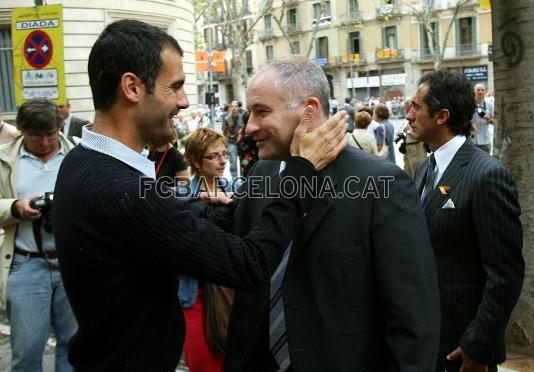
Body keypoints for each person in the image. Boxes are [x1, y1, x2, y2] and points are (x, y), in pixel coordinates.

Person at [51, 20, 348, 372]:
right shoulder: (122, 191)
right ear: (131, 87)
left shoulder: (81, 162)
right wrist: (301, 169)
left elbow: (163, 232)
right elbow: (249, 265)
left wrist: (226, 208)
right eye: (174, 87)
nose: (184, 101)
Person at [224, 56, 441, 372]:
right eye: (249, 113)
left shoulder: (381, 185)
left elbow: (414, 319)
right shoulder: (260, 174)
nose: (249, 127)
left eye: (261, 111)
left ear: (309, 110)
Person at [409, 70, 524, 372]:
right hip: (427, 341)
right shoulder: (424, 169)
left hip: (463, 351)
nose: (408, 115)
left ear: (441, 116)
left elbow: (505, 275)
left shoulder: (487, 175)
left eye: (416, 107)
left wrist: (479, 345)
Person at [0, 99, 77, 371]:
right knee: (27, 351)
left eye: (50, 134)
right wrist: (15, 208)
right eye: (36, 135)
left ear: (59, 127)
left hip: (73, 263)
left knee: (74, 348)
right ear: (20, 130)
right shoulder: (4, 159)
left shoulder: (77, 154)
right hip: (26, 264)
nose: (45, 142)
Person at [179, 128, 233, 372]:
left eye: (225, 154)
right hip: (195, 296)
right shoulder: (182, 197)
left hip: (230, 294)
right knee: (203, 365)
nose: (222, 160)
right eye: (214, 156)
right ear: (195, 161)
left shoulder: (234, 190)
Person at [400, 97, 428, 179]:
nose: (404, 108)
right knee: (407, 173)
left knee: (417, 174)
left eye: (406, 105)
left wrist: (408, 131)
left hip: (416, 147)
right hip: (408, 147)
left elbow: (420, 135)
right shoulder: (410, 116)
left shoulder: (417, 117)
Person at [471, 83, 494, 154]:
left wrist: (488, 119)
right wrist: (470, 124)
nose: (480, 92)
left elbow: (494, 121)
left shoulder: (490, 105)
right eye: (478, 90)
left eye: (482, 90)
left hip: (485, 140)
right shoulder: (469, 104)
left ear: (485, 92)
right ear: (474, 92)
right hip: (471, 140)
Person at [223, 101, 243, 180]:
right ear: (230, 108)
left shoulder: (242, 117)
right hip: (231, 142)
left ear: (238, 108)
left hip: (242, 142)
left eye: (235, 106)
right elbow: (224, 133)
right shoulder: (227, 119)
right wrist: (224, 145)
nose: (234, 108)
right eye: (232, 106)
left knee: (243, 161)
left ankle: (243, 178)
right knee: (233, 162)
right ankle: (235, 180)